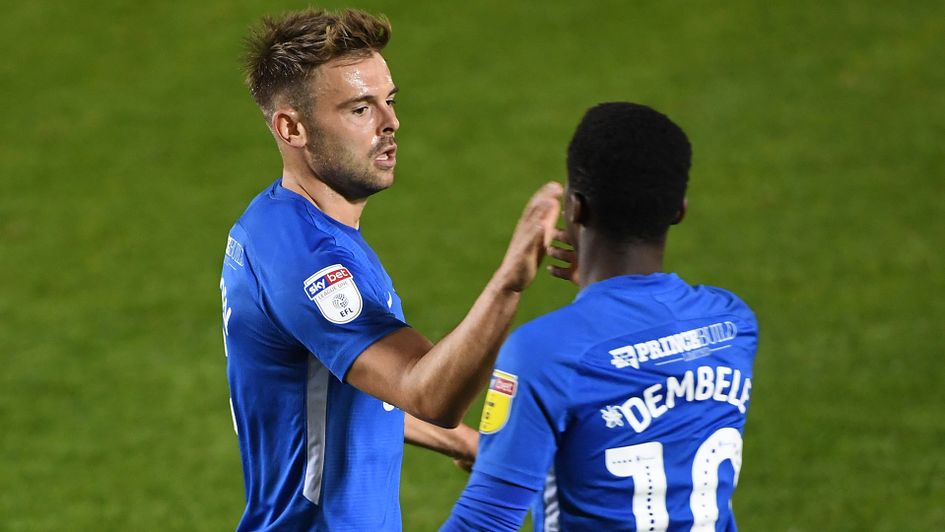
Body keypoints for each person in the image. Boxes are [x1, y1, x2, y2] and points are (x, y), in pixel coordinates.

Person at [219, 8, 561, 531]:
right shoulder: (311, 260)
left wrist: (461, 440)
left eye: (389, 101)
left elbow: (337, 387)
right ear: (292, 126)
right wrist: (512, 279)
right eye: (360, 109)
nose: (391, 123)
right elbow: (428, 393)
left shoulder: (276, 222)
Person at [442, 102, 759, 531]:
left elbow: (488, 518)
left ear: (576, 208)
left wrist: (596, 308)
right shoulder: (731, 325)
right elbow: (663, 404)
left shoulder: (544, 354)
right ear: (679, 210)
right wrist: (605, 302)